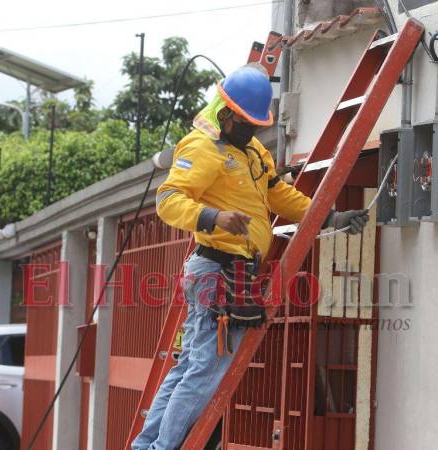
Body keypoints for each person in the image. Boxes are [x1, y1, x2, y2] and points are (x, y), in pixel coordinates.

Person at [131, 65, 369, 450]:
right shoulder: (200, 147)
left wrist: (330, 217)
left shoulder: (253, 151)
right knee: (205, 371)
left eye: (256, 125)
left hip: (232, 271)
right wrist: (213, 216)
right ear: (224, 114)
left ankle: (147, 447)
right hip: (216, 269)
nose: (251, 130)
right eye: (245, 123)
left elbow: (280, 196)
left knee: (191, 366)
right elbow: (167, 200)